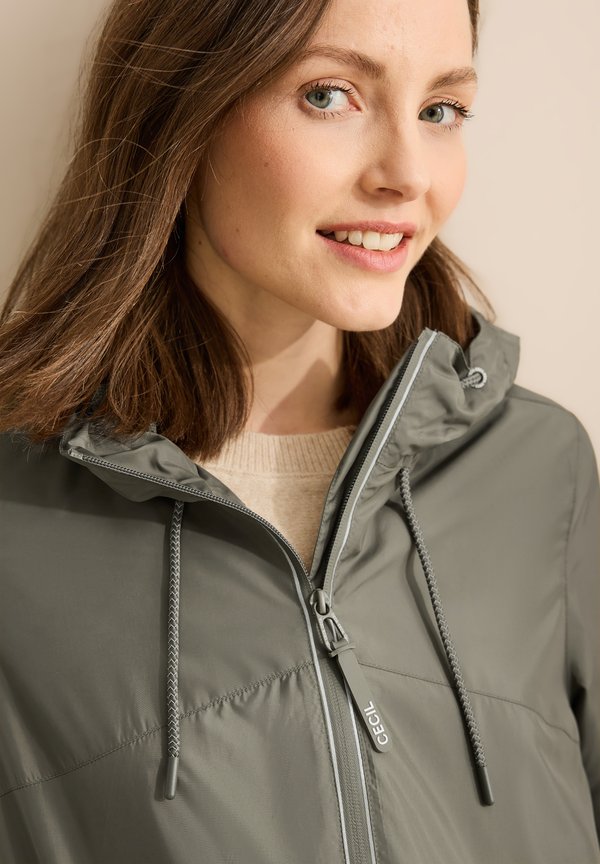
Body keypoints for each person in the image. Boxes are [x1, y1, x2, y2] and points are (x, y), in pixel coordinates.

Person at [0, 0, 598, 860]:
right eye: (329, 96)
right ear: (185, 106)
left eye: (441, 110)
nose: (407, 174)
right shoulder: (17, 513)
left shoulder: (539, 469)